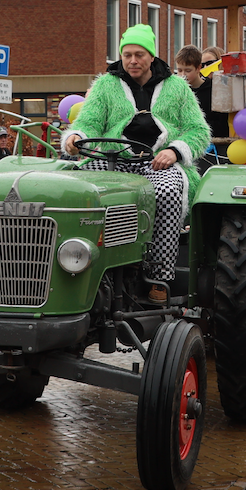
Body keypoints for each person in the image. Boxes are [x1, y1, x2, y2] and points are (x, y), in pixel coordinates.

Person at [63, 24, 210, 302]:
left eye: (139, 54)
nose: (132, 60)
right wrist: (75, 136)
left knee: (167, 192)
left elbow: (198, 131)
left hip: (157, 164)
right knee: (75, 187)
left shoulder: (177, 88)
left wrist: (175, 152)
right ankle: (78, 264)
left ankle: (159, 277)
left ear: (151, 57)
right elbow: (88, 121)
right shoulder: (105, 85)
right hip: (112, 161)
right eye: (127, 54)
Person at [176, 44, 228, 139]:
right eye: (179, 70)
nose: (183, 75)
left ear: (198, 68)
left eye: (188, 71)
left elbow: (222, 124)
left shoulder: (214, 89)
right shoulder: (177, 91)